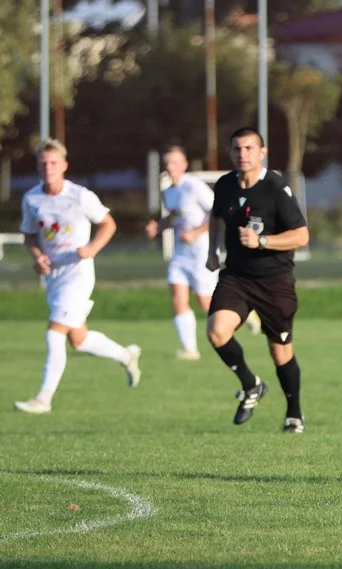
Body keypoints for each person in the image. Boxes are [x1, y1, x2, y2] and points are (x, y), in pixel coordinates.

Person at [14, 138, 142, 414]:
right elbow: (29, 235)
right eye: (43, 163)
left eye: (53, 163)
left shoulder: (80, 196)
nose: (48, 167)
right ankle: (125, 355)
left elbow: (108, 224)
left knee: (54, 332)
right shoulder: (32, 198)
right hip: (54, 278)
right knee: (78, 340)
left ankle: (44, 398)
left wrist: (92, 248)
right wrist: (37, 256)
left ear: (64, 166)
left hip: (78, 275)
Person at [205, 127, 310, 433]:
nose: (243, 154)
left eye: (249, 148)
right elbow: (216, 216)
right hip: (236, 277)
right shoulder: (224, 185)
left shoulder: (276, 188)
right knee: (216, 331)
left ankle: (294, 413)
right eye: (237, 149)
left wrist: (262, 242)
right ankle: (251, 385)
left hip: (274, 281)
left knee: (280, 350)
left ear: (262, 152)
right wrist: (213, 250)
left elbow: (302, 235)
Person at [146, 146, 262, 361]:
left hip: (201, 251)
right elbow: (175, 217)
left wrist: (196, 232)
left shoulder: (193, 186)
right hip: (181, 253)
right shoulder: (169, 191)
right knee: (177, 297)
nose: (169, 167)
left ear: (184, 165)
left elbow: (218, 211)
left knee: (205, 302)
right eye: (167, 163)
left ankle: (246, 311)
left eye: (174, 162)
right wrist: (159, 227)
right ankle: (190, 349)